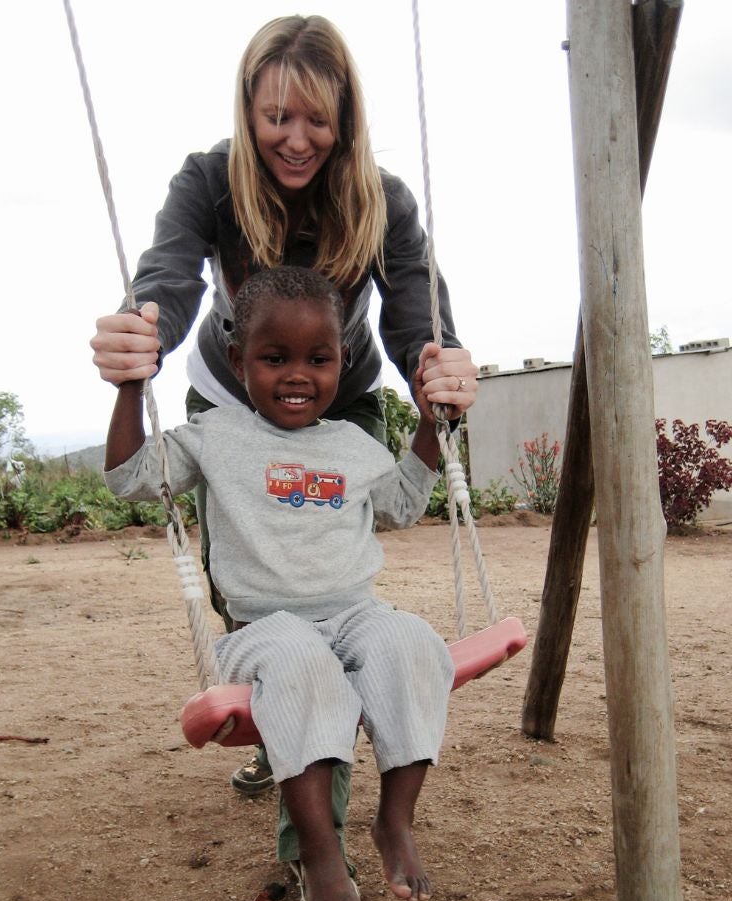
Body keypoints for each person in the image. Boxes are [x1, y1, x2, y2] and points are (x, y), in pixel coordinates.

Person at [90, 15, 476, 815]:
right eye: (276, 118)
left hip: (349, 394)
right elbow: (169, 273)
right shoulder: (210, 180)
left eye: (316, 120)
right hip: (228, 395)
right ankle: (285, 724)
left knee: (331, 567)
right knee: (255, 587)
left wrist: (439, 365)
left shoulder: (379, 198)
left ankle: (317, 812)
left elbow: (416, 308)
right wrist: (141, 330)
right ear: (248, 112)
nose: (296, 140)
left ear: (346, 120)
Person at [103, 266, 455, 901]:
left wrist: (435, 424)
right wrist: (129, 390)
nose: (298, 374)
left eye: (318, 359)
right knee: (302, 665)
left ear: (341, 363)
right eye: (275, 358)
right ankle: (321, 853)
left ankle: (395, 820)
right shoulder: (217, 437)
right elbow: (129, 478)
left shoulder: (353, 444)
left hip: (354, 611)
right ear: (239, 363)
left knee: (411, 641)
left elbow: (404, 504)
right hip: (265, 626)